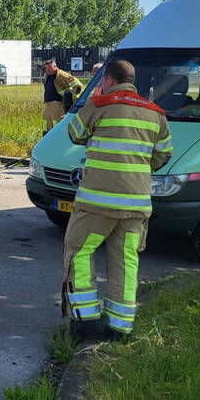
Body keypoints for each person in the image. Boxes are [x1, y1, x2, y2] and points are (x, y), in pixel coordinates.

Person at [62, 59, 172, 340]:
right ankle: (120, 327)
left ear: (108, 80)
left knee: (80, 252)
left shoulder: (101, 104)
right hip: (136, 204)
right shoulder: (155, 113)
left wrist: (92, 102)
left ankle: (86, 323)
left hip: (97, 202)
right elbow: (163, 155)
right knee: (125, 260)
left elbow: (75, 134)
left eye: (102, 82)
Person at [42, 59, 84, 132]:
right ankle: (47, 138)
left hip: (58, 104)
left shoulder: (61, 75)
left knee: (57, 123)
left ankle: (58, 138)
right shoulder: (46, 75)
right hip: (48, 104)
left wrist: (69, 95)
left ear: (55, 66)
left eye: (49, 68)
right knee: (46, 123)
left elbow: (77, 85)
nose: (47, 70)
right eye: (46, 68)